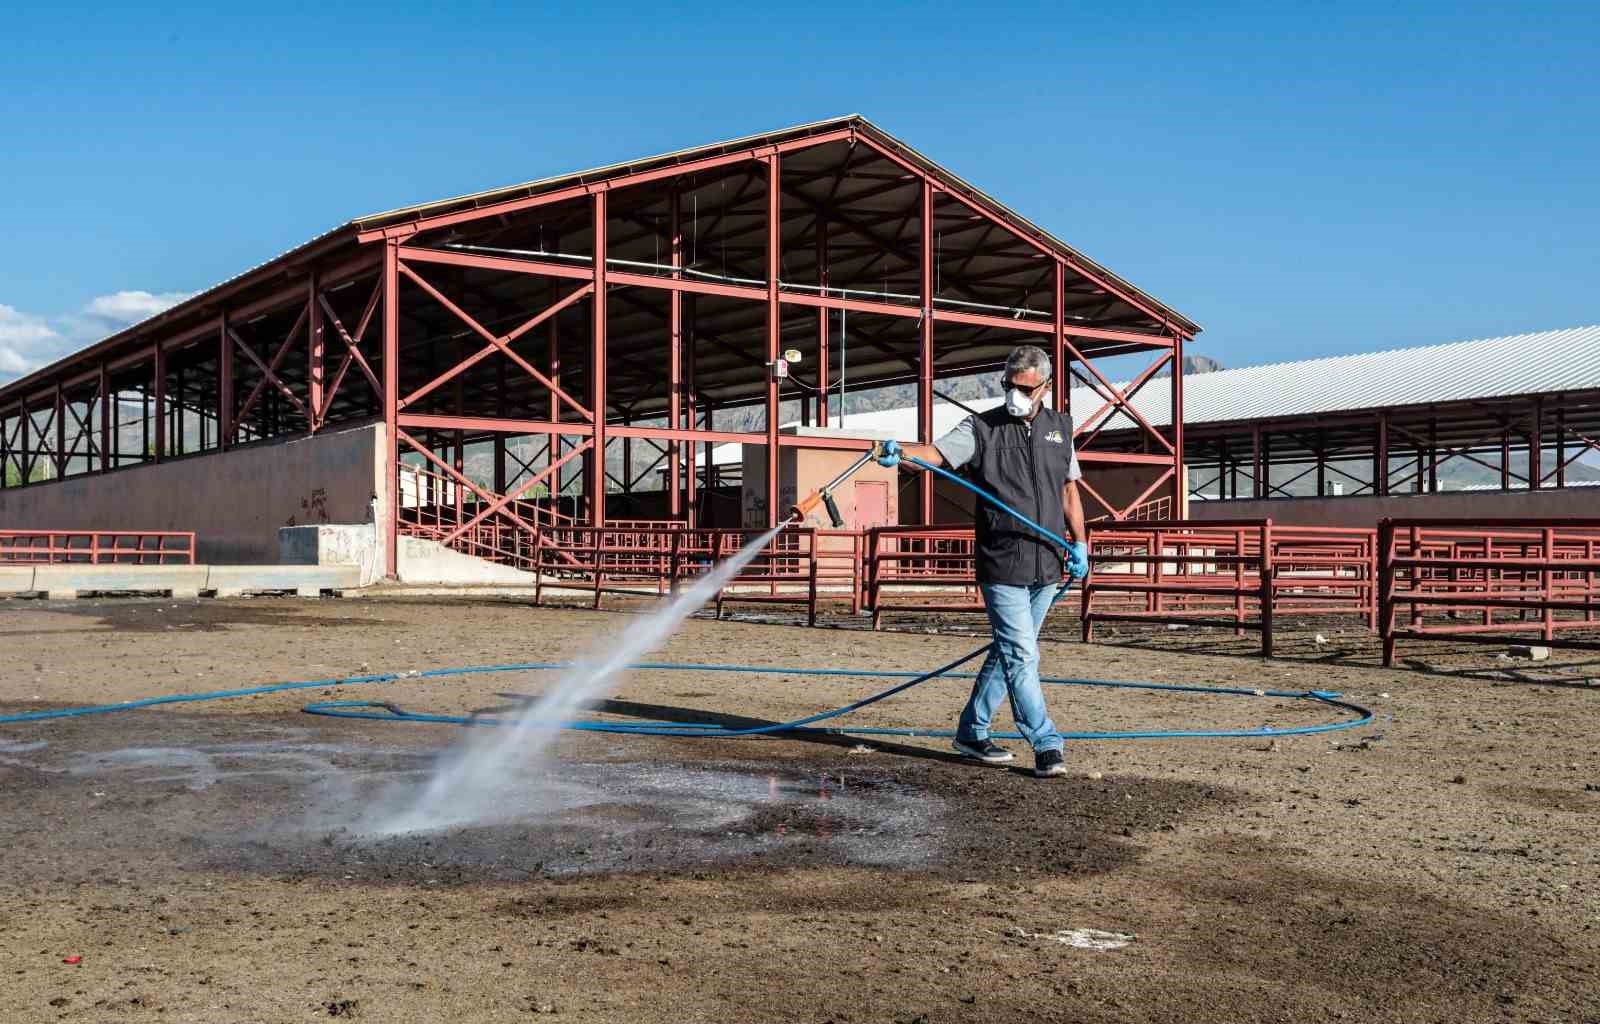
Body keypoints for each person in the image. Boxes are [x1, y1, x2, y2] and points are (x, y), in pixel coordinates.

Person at [877, 344, 1088, 778]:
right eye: (1010, 385)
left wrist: (1080, 543)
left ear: (1046, 387)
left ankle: (972, 730)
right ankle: (1046, 740)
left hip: (1047, 562)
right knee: (1022, 654)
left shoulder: (1060, 429)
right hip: (1002, 561)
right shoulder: (981, 428)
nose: (1016, 393)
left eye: (1026, 388)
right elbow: (937, 452)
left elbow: (1070, 489)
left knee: (1010, 651)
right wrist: (906, 455)